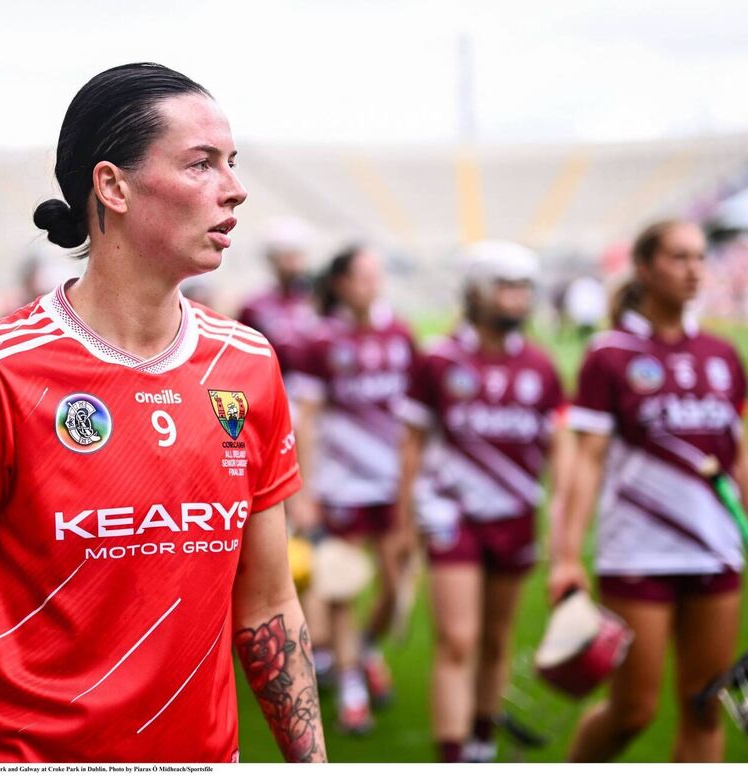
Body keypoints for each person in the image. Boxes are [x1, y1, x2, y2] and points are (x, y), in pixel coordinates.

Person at [0, 63, 326, 763]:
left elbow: (267, 605)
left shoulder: (248, 365)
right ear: (111, 185)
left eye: (231, 164)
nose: (233, 188)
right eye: (201, 164)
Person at [551, 219, 745, 762]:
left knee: (705, 705)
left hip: (716, 550)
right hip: (638, 551)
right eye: (679, 257)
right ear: (644, 267)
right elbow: (585, 463)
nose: (694, 269)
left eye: (701, 257)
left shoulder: (723, 356)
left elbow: (740, 456)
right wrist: (566, 555)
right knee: (633, 711)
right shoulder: (608, 355)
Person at [393, 241, 566, 763]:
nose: (518, 300)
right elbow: (412, 443)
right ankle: (453, 757)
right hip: (452, 516)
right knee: (459, 640)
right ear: (477, 292)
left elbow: (561, 449)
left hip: (515, 517)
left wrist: (562, 520)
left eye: (524, 289)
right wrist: (404, 520)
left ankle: (482, 743)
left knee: (496, 639)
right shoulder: (440, 360)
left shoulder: (541, 365)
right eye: (507, 287)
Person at [288, 245, 419, 732]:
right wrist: (305, 492)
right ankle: (352, 687)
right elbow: (308, 422)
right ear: (341, 283)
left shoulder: (401, 332)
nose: (373, 284)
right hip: (341, 486)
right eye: (364, 276)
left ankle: (365, 649)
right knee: (342, 588)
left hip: (392, 484)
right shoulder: (320, 341)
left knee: (394, 585)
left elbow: (417, 418)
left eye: (376, 275)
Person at [238, 216, 319, 377]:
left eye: (297, 255)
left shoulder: (315, 299)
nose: (293, 263)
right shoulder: (255, 305)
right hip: (272, 379)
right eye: (287, 256)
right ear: (273, 259)